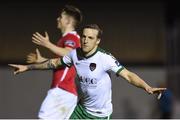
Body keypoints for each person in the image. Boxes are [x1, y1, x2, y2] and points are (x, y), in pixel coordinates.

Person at [9, 24, 166, 119]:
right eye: (83, 36)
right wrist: (27, 67)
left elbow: (128, 75)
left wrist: (148, 87)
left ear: (97, 41)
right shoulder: (74, 54)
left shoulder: (105, 58)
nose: (85, 40)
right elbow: (54, 63)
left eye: (90, 38)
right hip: (80, 110)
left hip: (100, 115)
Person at [23, 5, 82, 119]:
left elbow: (69, 54)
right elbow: (62, 62)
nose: (57, 19)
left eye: (60, 17)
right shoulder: (64, 39)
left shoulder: (72, 37)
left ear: (68, 21)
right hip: (66, 93)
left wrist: (47, 44)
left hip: (62, 91)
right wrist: (42, 60)